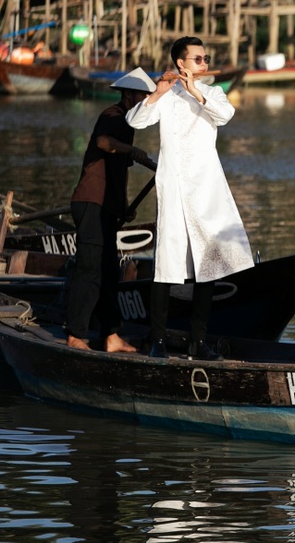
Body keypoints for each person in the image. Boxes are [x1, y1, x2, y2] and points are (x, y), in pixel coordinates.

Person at [126, 37, 254, 360]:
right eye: (197, 59)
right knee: (165, 267)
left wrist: (198, 93)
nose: (204, 64)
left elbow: (226, 115)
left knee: (207, 268)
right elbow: (134, 121)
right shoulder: (167, 96)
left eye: (206, 58)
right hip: (173, 190)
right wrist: (156, 93)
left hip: (206, 192)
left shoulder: (212, 93)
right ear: (181, 63)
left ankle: (198, 342)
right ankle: (157, 340)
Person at [65, 68, 156, 353]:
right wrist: (132, 150)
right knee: (89, 270)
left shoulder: (127, 123)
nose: (144, 100)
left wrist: (124, 206)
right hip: (91, 203)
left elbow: (119, 174)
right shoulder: (113, 116)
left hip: (107, 207)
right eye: (141, 95)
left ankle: (111, 335)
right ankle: (75, 334)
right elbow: (103, 143)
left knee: (107, 273)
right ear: (128, 95)